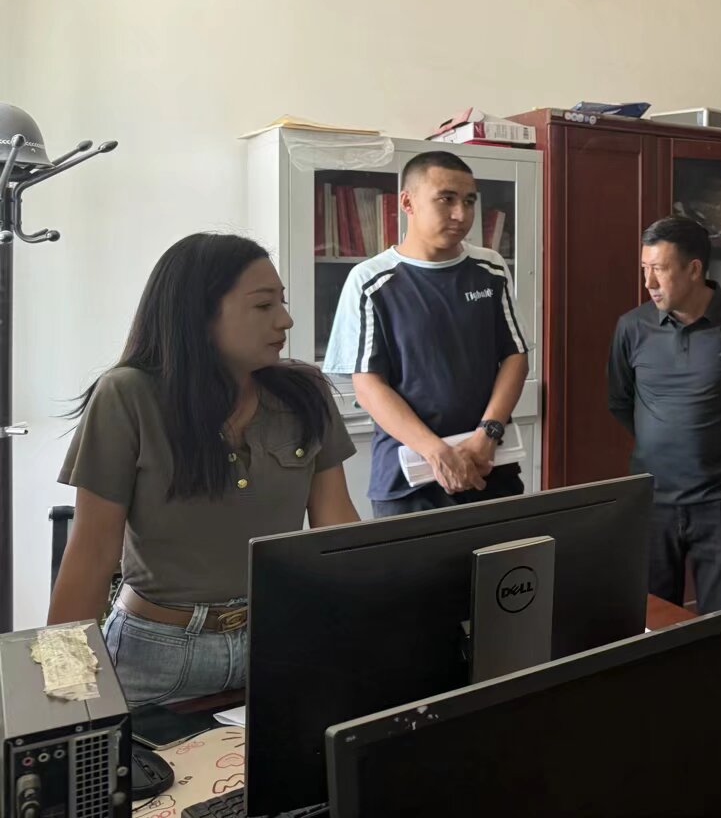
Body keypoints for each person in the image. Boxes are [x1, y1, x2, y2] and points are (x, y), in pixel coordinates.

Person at [48, 233, 359, 707]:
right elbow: (91, 553)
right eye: (263, 305)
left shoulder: (305, 395)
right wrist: (61, 696)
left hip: (279, 640)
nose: (285, 319)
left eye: (282, 302)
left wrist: (367, 630)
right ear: (200, 314)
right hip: (155, 654)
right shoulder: (128, 395)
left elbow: (338, 535)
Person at [325, 151, 529, 516]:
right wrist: (436, 452)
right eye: (446, 199)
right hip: (409, 480)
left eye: (469, 201)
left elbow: (515, 355)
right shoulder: (370, 280)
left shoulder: (490, 268)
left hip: (489, 465)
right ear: (407, 203)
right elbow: (368, 385)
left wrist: (488, 433)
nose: (461, 214)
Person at [607, 216, 721, 614]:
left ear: (694, 269)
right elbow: (620, 400)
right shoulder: (631, 327)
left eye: (660, 269)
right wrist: (662, 444)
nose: (649, 282)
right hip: (652, 501)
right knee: (652, 618)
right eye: (644, 268)